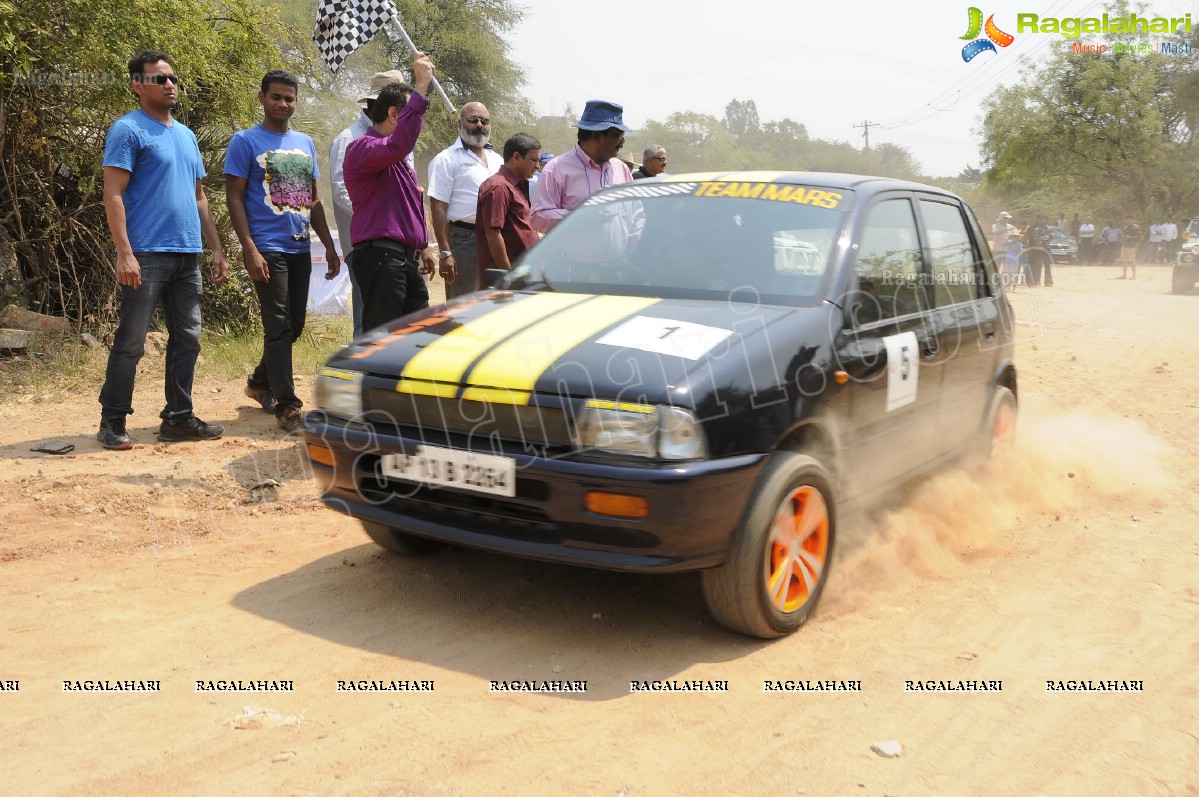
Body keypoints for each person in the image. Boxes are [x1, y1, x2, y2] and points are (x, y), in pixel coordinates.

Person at [97, 50, 227, 451]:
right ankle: (113, 420)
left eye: (172, 78)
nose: (170, 84)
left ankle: (178, 419)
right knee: (132, 341)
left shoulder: (186, 135)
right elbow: (113, 192)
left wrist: (217, 247)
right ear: (138, 85)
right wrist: (124, 252)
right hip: (146, 254)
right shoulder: (127, 130)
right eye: (159, 79)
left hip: (187, 254)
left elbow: (200, 196)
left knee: (188, 338)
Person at [225, 70, 340, 434]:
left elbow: (314, 200)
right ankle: (288, 406)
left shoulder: (305, 142)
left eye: (289, 98)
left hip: (299, 246)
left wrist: (331, 246)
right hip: (266, 245)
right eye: (276, 97)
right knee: (278, 325)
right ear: (262, 98)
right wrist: (249, 248)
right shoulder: (244, 141)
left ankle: (260, 382)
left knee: (294, 325)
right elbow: (235, 198)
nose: (283, 104)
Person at [342, 53, 438, 331]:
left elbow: (410, 206)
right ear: (394, 114)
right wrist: (421, 86)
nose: (415, 120)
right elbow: (400, 144)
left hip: (403, 259)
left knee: (416, 337)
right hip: (382, 258)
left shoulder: (395, 160)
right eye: (409, 113)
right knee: (383, 341)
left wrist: (424, 245)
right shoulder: (362, 148)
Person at [329, 70, 414, 338]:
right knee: (370, 323)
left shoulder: (400, 143)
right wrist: (379, 216)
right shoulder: (349, 139)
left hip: (401, 246)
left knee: (402, 322)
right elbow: (341, 191)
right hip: (366, 244)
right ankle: (364, 374)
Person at [428, 102, 503, 299]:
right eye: (473, 120)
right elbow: (438, 207)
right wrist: (445, 252)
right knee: (463, 307)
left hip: (496, 237)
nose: (479, 125)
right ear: (458, 124)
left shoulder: (497, 160)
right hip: (464, 240)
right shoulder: (446, 159)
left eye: (484, 121)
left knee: (493, 305)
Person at [531, 99, 633, 232]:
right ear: (596, 136)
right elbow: (538, 217)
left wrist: (631, 248)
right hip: (569, 253)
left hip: (623, 254)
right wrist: (579, 218)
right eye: (617, 135)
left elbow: (636, 214)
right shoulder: (556, 169)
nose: (622, 142)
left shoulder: (621, 169)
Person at [475, 133, 542, 280]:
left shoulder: (516, 185)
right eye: (534, 160)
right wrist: (508, 277)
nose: (538, 166)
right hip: (508, 280)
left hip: (524, 274)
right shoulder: (498, 187)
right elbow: (493, 234)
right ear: (516, 157)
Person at [1027, 214, 1055, 287]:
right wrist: (1045, 238)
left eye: (1044, 219)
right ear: (1039, 221)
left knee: (1047, 265)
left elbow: (1051, 237)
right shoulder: (1036, 229)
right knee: (1038, 265)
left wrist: (1044, 238)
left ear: (1047, 220)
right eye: (1041, 219)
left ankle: (1048, 282)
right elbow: (1036, 238)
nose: (1043, 221)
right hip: (1039, 249)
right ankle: (1036, 281)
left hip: (1047, 248)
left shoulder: (1050, 228)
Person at [1119, 215, 1141, 279]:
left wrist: (1130, 237)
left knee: (1132, 261)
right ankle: (1124, 275)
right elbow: (1123, 235)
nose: (1127, 221)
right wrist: (1123, 237)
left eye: (1129, 219)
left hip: (1132, 246)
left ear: (1133, 220)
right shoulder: (1125, 227)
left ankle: (1134, 275)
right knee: (1124, 261)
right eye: (1126, 219)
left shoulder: (1136, 227)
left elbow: (1138, 236)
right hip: (1125, 245)